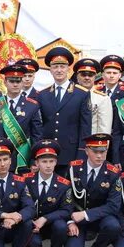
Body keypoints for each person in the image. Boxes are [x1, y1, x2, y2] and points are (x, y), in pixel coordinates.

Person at [65, 133, 121, 247]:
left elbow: (113, 205)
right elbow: (66, 197)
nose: (99, 156)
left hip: (100, 216)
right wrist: (69, 221)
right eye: (95, 151)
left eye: (103, 152)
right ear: (86, 150)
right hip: (77, 216)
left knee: (113, 226)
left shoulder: (113, 173)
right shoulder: (74, 168)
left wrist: (86, 214)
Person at [37, 47, 91, 176]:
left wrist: (82, 152)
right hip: (47, 154)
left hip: (71, 152)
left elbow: (85, 126)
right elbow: (40, 126)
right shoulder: (42, 95)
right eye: (55, 67)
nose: (59, 70)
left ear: (68, 68)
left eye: (62, 66)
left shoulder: (82, 94)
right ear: (50, 69)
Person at [24, 140, 73, 247]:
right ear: (37, 163)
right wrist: (31, 221)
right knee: (35, 244)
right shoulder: (25, 180)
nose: (48, 165)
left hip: (51, 223)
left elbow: (67, 209)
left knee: (61, 226)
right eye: (44, 162)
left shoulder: (64, 184)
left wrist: (45, 218)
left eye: (51, 161)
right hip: (32, 222)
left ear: (56, 162)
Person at [0, 64, 42, 174]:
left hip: (23, 158)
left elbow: (37, 136)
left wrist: (34, 160)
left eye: (18, 81)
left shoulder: (32, 105)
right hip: (1, 158)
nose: (15, 84)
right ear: (5, 82)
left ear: (22, 83)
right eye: (12, 81)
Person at [72, 58, 113, 135]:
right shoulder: (69, 96)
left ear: (95, 77)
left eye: (90, 75)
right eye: (83, 74)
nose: (87, 78)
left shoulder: (103, 99)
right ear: (77, 76)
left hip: (91, 144)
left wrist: (100, 146)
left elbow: (104, 128)